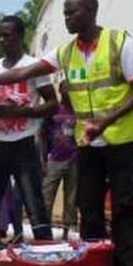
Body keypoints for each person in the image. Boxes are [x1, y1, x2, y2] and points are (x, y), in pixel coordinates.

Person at [0, 0, 133, 266]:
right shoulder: (65, 52)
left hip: (119, 140)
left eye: (72, 12)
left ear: (90, 10)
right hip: (87, 143)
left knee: (122, 211)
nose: (67, 18)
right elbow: (25, 72)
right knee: (87, 211)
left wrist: (107, 119)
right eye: (64, 13)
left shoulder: (119, 42)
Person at [0, 15, 56, 253]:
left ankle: (47, 257)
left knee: (34, 205)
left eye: (8, 35)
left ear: (20, 36)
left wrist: (22, 111)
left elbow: (53, 104)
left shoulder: (33, 66)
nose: (2, 40)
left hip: (23, 145)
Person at [41, 81, 78, 239]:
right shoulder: (53, 110)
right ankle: (43, 230)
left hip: (74, 159)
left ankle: (66, 231)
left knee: (71, 198)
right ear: (61, 90)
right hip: (54, 159)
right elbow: (41, 133)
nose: (68, 91)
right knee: (47, 195)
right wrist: (42, 157)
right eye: (66, 88)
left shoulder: (78, 111)